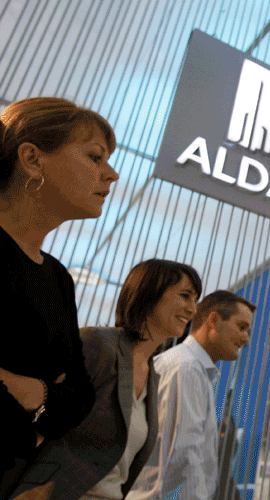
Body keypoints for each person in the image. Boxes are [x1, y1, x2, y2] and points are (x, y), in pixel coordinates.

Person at [0, 97, 119, 494]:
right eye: (95, 157)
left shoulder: (58, 278)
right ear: (32, 160)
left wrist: (29, 391)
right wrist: (46, 403)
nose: (112, 174)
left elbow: (80, 398)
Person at [9, 259, 202, 500]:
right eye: (185, 296)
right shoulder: (97, 344)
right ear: (150, 292)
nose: (193, 310)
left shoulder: (153, 375)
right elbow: (34, 413)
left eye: (195, 300)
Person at [128, 290, 256, 500]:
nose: (245, 339)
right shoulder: (186, 368)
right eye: (241, 327)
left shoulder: (191, 368)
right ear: (213, 321)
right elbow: (183, 457)